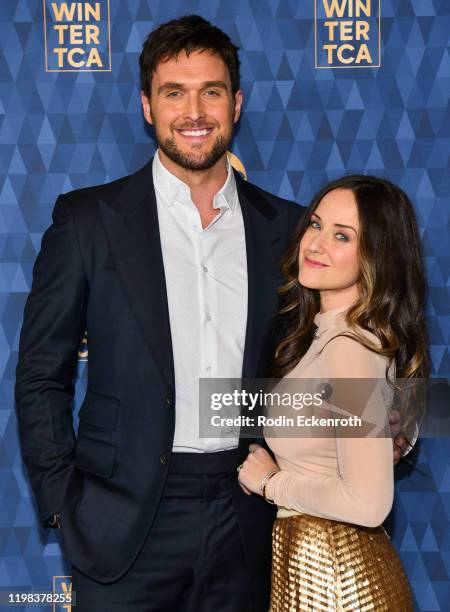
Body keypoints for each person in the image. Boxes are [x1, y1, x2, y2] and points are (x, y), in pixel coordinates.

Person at [14, 14, 304, 612]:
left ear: (237, 103)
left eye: (211, 91)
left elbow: (314, 363)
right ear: (148, 106)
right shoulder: (89, 221)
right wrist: (64, 502)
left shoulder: (290, 228)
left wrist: (386, 423)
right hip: (121, 520)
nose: (194, 111)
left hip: (247, 511)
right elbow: (43, 373)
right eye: (174, 93)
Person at [237, 175, 428, 611]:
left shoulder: (349, 347)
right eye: (316, 225)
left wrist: (270, 483)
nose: (316, 243)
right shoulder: (328, 335)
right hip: (315, 565)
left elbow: (369, 503)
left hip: (339, 579)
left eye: (342, 236)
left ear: (376, 256)